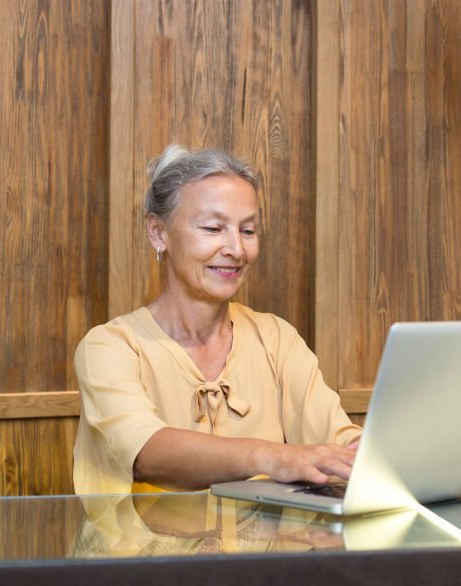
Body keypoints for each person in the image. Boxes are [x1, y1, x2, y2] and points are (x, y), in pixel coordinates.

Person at [73, 146, 361, 495]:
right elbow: (145, 453)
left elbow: (339, 442)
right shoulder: (110, 347)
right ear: (158, 233)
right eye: (213, 228)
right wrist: (269, 456)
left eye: (248, 231)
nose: (237, 249)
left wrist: (371, 455)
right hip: (140, 550)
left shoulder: (277, 338)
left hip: (269, 551)